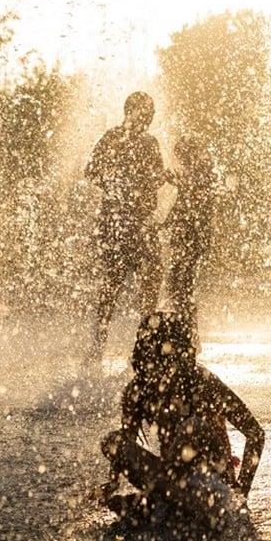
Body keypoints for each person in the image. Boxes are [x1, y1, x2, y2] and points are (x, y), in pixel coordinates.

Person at [99, 312, 264, 527]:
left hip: (212, 482)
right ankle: (171, 503)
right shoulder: (137, 390)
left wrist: (241, 494)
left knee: (192, 427)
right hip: (170, 482)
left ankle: (159, 504)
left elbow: (255, 433)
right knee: (113, 442)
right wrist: (111, 484)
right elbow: (126, 446)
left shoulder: (202, 381)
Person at [84, 91, 169, 367]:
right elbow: (92, 172)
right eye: (148, 111)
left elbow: (155, 178)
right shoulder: (115, 138)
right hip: (121, 222)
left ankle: (136, 345)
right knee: (117, 282)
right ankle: (105, 346)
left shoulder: (143, 141)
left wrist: (145, 181)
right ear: (131, 111)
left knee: (143, 277)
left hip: (134, 222)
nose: (152, 116)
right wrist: (125, 186)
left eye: (153, 112)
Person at [164, 136, 218, 323]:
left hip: (191, 235)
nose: (179, 160)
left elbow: (190, 202)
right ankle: (188, 329)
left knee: (180, 283)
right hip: (190, 234)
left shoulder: (200, 173)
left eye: (181, 155)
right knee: (180, 283)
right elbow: (182, 203)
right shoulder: (198, 173)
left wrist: (179, 181)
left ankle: (188, 331)